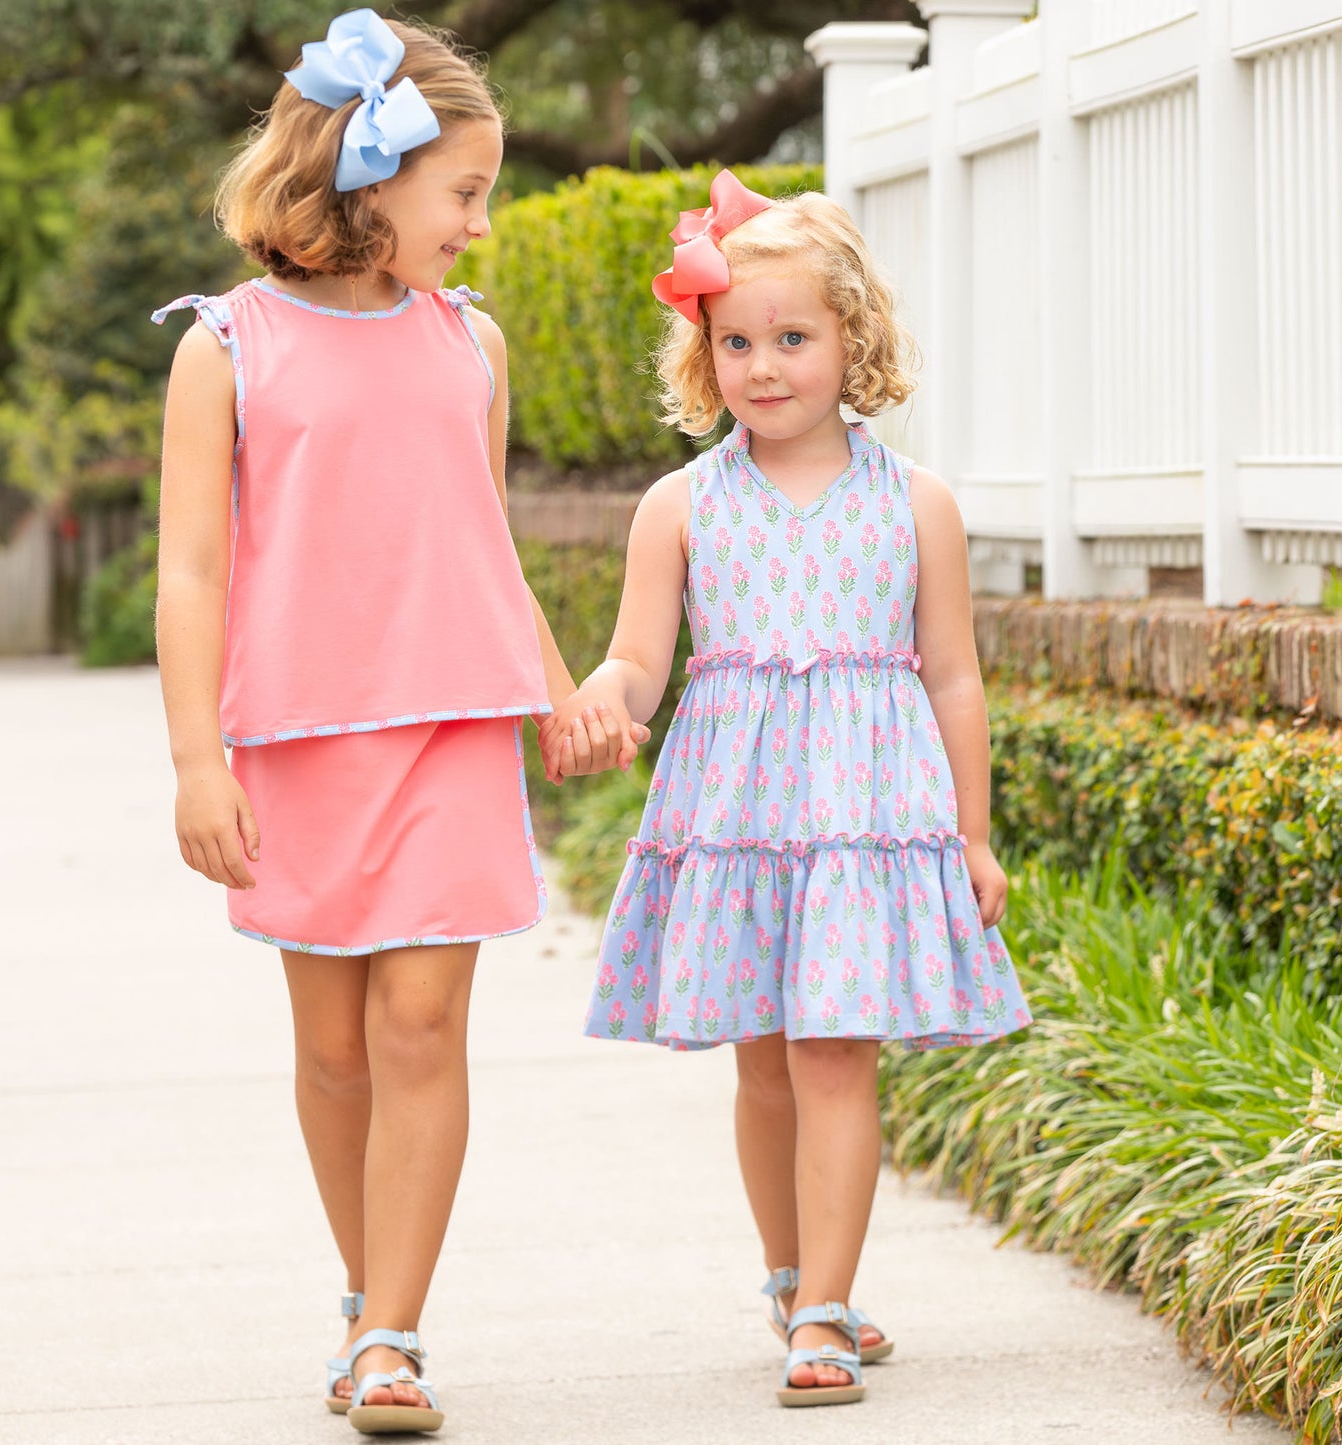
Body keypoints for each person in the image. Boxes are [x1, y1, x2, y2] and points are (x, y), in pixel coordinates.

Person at [152, 11, 639, 1434]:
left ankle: (392, 1336)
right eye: (466, 194)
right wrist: (195, 759)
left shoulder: (469, 342)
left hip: (447, 731)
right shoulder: (224, 348)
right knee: (333, 1049)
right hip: (297, 738)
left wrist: (555, 692)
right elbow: (187, 568)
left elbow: (477, 534)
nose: (481, 226)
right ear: (372, 179)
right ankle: (363, 1294)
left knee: (421, 1021)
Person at [540, 170, 1033, 1409]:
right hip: (740, 821)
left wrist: (970, 835)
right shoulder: (681, 505)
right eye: (736, 340)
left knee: (831, 1056)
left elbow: (955, 681)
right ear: (706, 353)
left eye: (793, 337)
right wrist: (605, 696)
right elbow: (642, 655)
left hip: (869, 824)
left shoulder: (916, 504)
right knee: (761, 1064)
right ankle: (788, 1270)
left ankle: (823, 1303)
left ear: (850, 341)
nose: (763, 366)